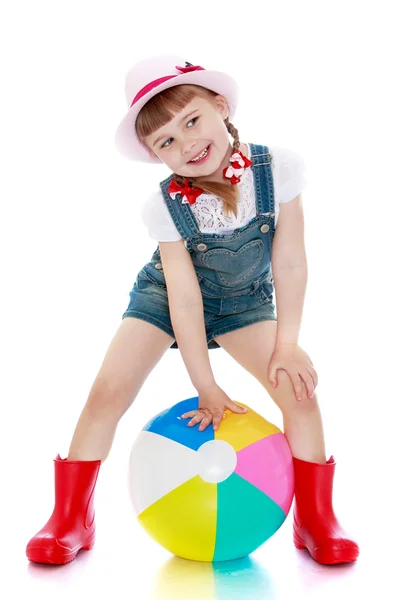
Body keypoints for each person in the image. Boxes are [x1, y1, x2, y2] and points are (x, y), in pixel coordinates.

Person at [25, 54, 359, 566]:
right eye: (167, 142)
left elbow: (290, 262)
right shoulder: (164, 206)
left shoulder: (279, 170)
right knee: (106, 393)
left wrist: (288, 342)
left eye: (193, 121)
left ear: (220, 106)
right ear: (154, 155)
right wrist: (206, 385)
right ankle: (72, 518)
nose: (188, 145)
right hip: (165, 298)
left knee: (299, 390)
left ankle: (314, 519)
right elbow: (183, 299)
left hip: (244, 302)